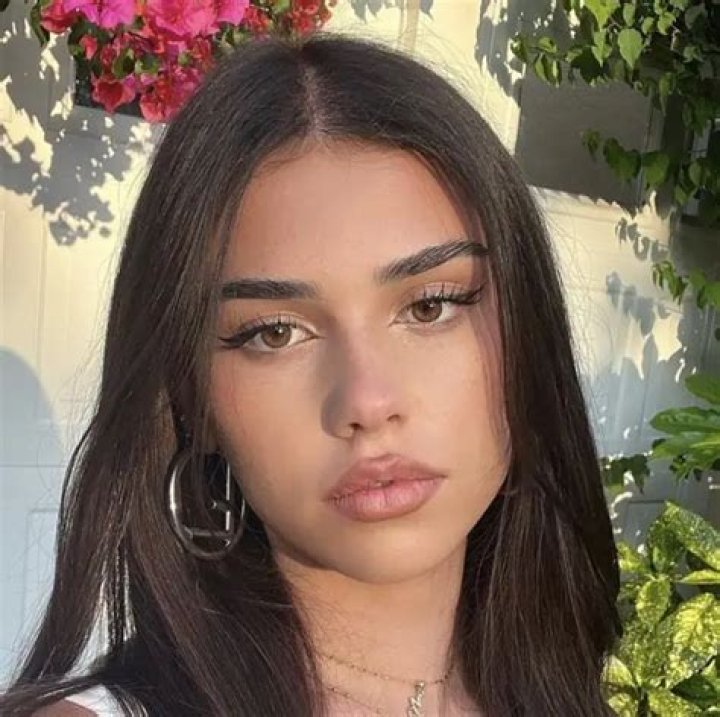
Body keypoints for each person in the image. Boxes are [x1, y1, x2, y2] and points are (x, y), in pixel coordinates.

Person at [1, 31, 620, 717]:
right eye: (274, 333)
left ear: (529, 331)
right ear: (192, 397)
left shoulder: (561, 687)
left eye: (431, 305)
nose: (368, 401)